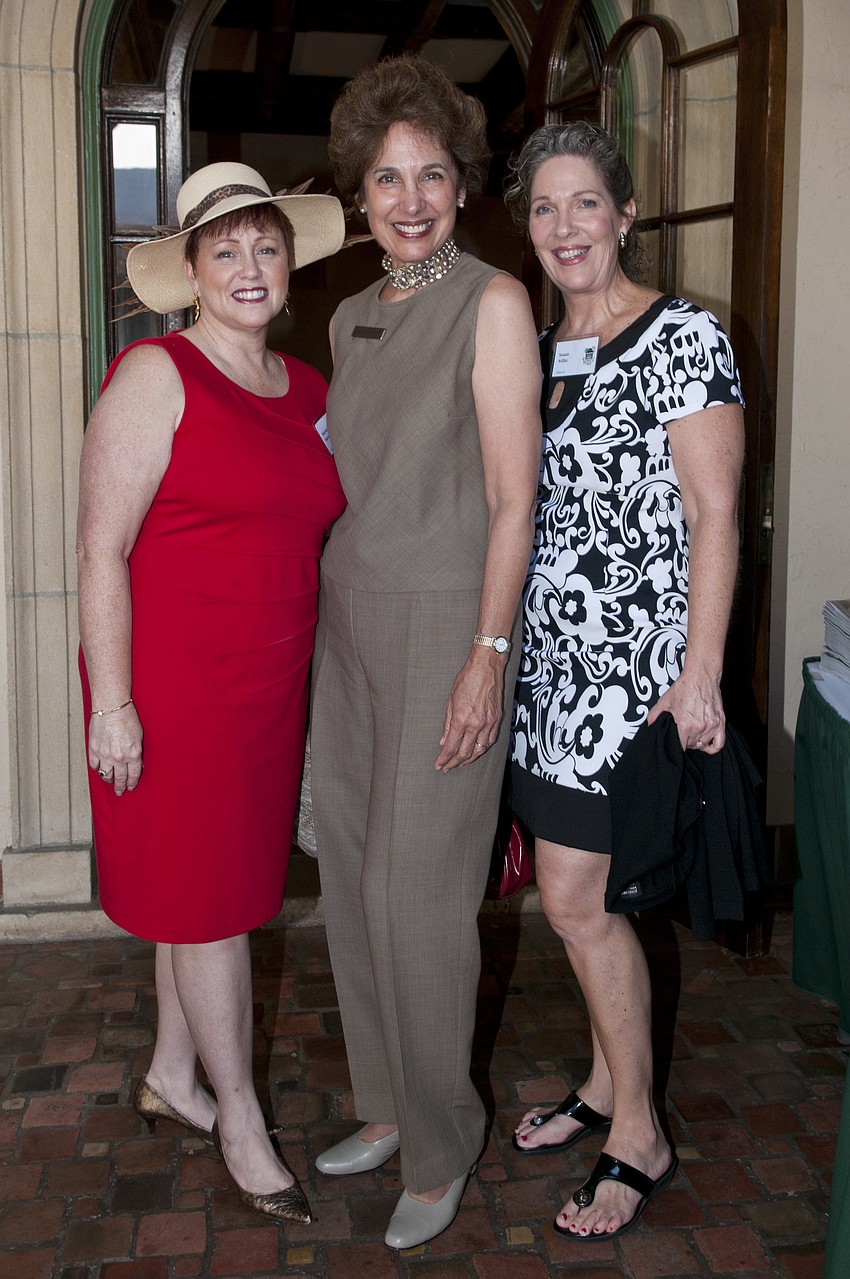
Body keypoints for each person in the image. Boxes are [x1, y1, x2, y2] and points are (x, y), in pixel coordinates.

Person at [76, 162, 345, 1224]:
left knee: (203, 899)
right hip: (175, 688)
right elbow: (100, 550)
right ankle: (239, 1117)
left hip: (268, 687)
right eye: (224, 249)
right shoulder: (158, 373)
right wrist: (112, 702)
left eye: (266, 246)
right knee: (210, 907)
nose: (249, 266)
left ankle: (171, 1074)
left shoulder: (311, 390)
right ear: (190, 272)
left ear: (289, 264)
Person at [309, 55, 541, 1249]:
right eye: (388, 178)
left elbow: (513, 498)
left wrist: (486, 654)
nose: (410, 199)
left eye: (432, 175)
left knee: (421, 897)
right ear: (358, 190)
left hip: (448, 620)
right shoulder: (349, 312)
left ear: (463, 183)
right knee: (352, 876)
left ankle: (444, 1141)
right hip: (347, 624)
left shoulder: (491, 302)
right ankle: (389, 1104)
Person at [505, 122, 745, 1241]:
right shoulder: (542, 347)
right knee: (576, 907)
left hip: (633, 681)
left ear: (625, 213)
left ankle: (639, 1132)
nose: (564, 227)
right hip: (550, 677)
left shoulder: (683, 334)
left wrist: (701, 676)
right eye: (544, 208)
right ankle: (606, 1083)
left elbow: (713, 514)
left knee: (578, 901)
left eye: (584, 203)